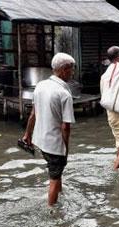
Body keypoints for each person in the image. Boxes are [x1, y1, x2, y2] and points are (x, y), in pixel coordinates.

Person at [19, 53, 76, 206]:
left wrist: (27, 134)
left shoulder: (40, 85)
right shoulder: (64, 94)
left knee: (56, 173)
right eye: (71, 69)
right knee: (54, 179)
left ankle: (60, 194)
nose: (72, 72)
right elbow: (66, 126)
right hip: (54, 145)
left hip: (40, 141)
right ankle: (52, 212)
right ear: (63, 69)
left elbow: (33, 113)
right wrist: (65, 148)